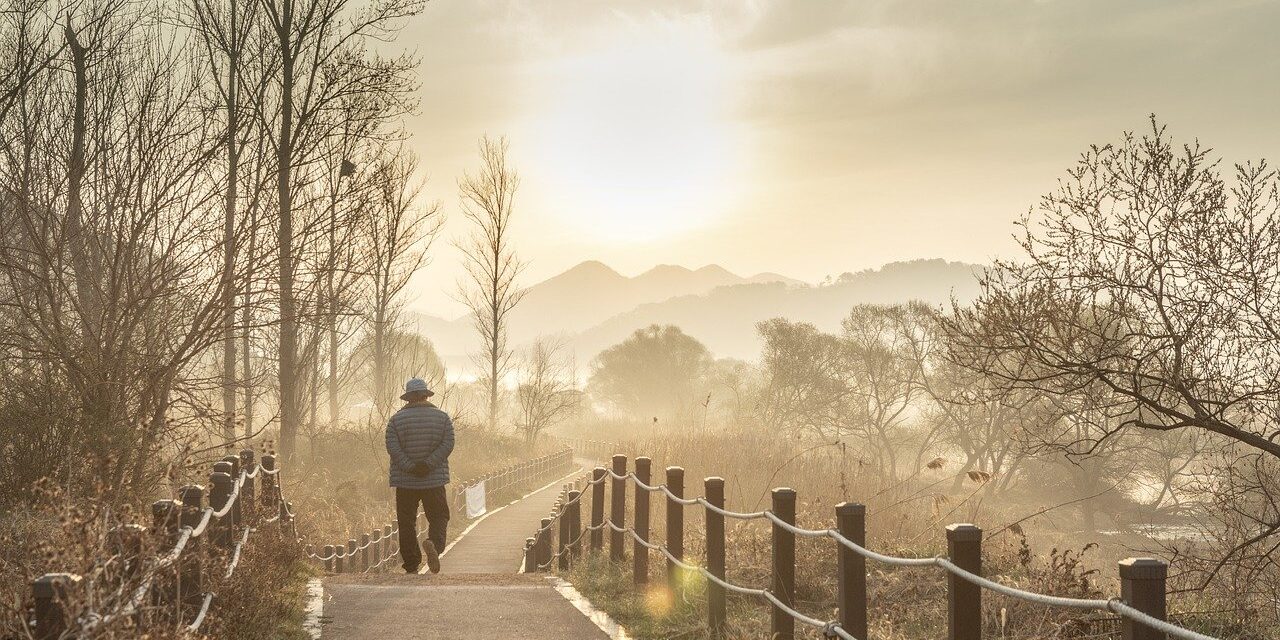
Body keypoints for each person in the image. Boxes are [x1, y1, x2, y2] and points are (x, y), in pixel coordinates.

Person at [385, 377, 454, 573]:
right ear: (426, 395)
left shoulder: (395, 420)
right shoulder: (442, 418)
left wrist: (410, 466)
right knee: (439, 516)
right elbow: (448, 443)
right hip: (434, 479)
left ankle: (412, 563)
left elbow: (392, 447)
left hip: (406, 481)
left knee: (406, 522)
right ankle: (434, 544)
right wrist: (428, 464)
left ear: (408, 398)